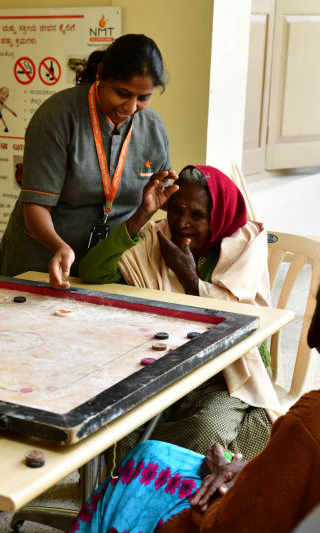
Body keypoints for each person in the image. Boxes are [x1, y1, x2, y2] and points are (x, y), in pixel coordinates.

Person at [68, 259, 320, 532]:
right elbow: (293, 481)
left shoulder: (315, 424)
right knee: (153, 449)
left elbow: (229, 523)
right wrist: (244, 470)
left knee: (141, 468)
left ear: (313, 333)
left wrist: (219, 492)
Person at [79, 165, 279, 460]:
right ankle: (153, 470)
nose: (182, 223)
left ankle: (151, 469)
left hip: (227, 374)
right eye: (175, 211)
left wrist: (189, 278)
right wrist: (141, 216)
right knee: (109, 424)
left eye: (197, 215)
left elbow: (241, 321)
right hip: (162, 367)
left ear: (218, 215)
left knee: (206, 431)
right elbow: (92, 273)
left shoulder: (245, 242)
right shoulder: (157, 236)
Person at [0, 33, 173, 289]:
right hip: (43, 261)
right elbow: (35, 206)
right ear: (101, 74)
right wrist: (58, 246)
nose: (131, 107)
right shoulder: (58, 117)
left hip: (107, 267)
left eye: (143, 97)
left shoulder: (154, 129)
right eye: (122, 93)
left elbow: (164, 197)